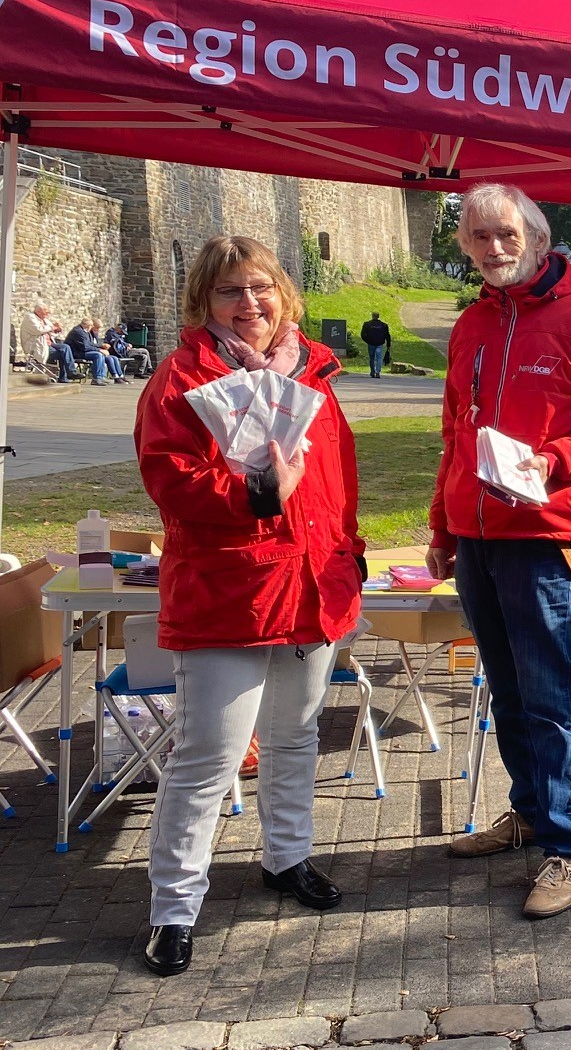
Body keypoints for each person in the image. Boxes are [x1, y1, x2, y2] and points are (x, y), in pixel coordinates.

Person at [132, 235, 367, 977]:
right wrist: (259, 493)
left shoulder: (317, 378)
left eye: (260, 287)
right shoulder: (180, 381)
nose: (249, 303)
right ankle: (174, 908)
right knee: (209, 756)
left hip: (311, 586)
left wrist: (349, 554)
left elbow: (338, 483)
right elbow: (170, 482)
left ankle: (286, 859)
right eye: (230, 291)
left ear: (284, 295)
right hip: (230, 589)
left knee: (297, 738)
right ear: (205, 301)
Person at [427, 183, 571, 919]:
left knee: (551, 696)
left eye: (505, 236)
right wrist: (442, 526)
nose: (493, 249)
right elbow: (455, 437)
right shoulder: (470, 327)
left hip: (546, 535)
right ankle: (528, 813)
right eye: (478, 238)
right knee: (506, 687)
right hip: (477, 538)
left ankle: (566, 844)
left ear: (535, 237)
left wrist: (553, 461)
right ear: (465, 246)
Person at [26, 304, 76, 382]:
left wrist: (57, 330)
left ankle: (70, 373)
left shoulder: (44, 320)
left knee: (65, 347)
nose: (48, 312)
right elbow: (39, 330)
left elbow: (50, 331)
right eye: (46, 311)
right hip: (37, 347)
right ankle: (68, 374)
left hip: (49, 344)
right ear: (38, 311)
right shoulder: (30, 318)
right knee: (63, 352)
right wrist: (53, 327)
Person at [66, 316, 123, 384]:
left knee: (101, 355)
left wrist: (100, 347)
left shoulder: (85, 332)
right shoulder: (78, 332)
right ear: (87, 325)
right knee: (98, 355)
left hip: (83, 351)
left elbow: (91, 344)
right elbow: (85, 347)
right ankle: (96, 378)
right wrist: (99, 350)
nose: (91, 327)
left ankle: (101, 377)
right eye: (90, 326)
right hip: (76, 353)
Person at [360, 311, 392, 378]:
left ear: (372, 316)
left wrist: (367, 341)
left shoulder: (367, 324)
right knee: (379, 358)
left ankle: (372, 371)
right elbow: (387, 335)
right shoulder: (383, 325)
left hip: (371, 343)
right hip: (380, 343)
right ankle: (378, 371)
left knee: (372, 358)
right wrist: (388, 344)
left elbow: (363, 335)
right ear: (378, 316)